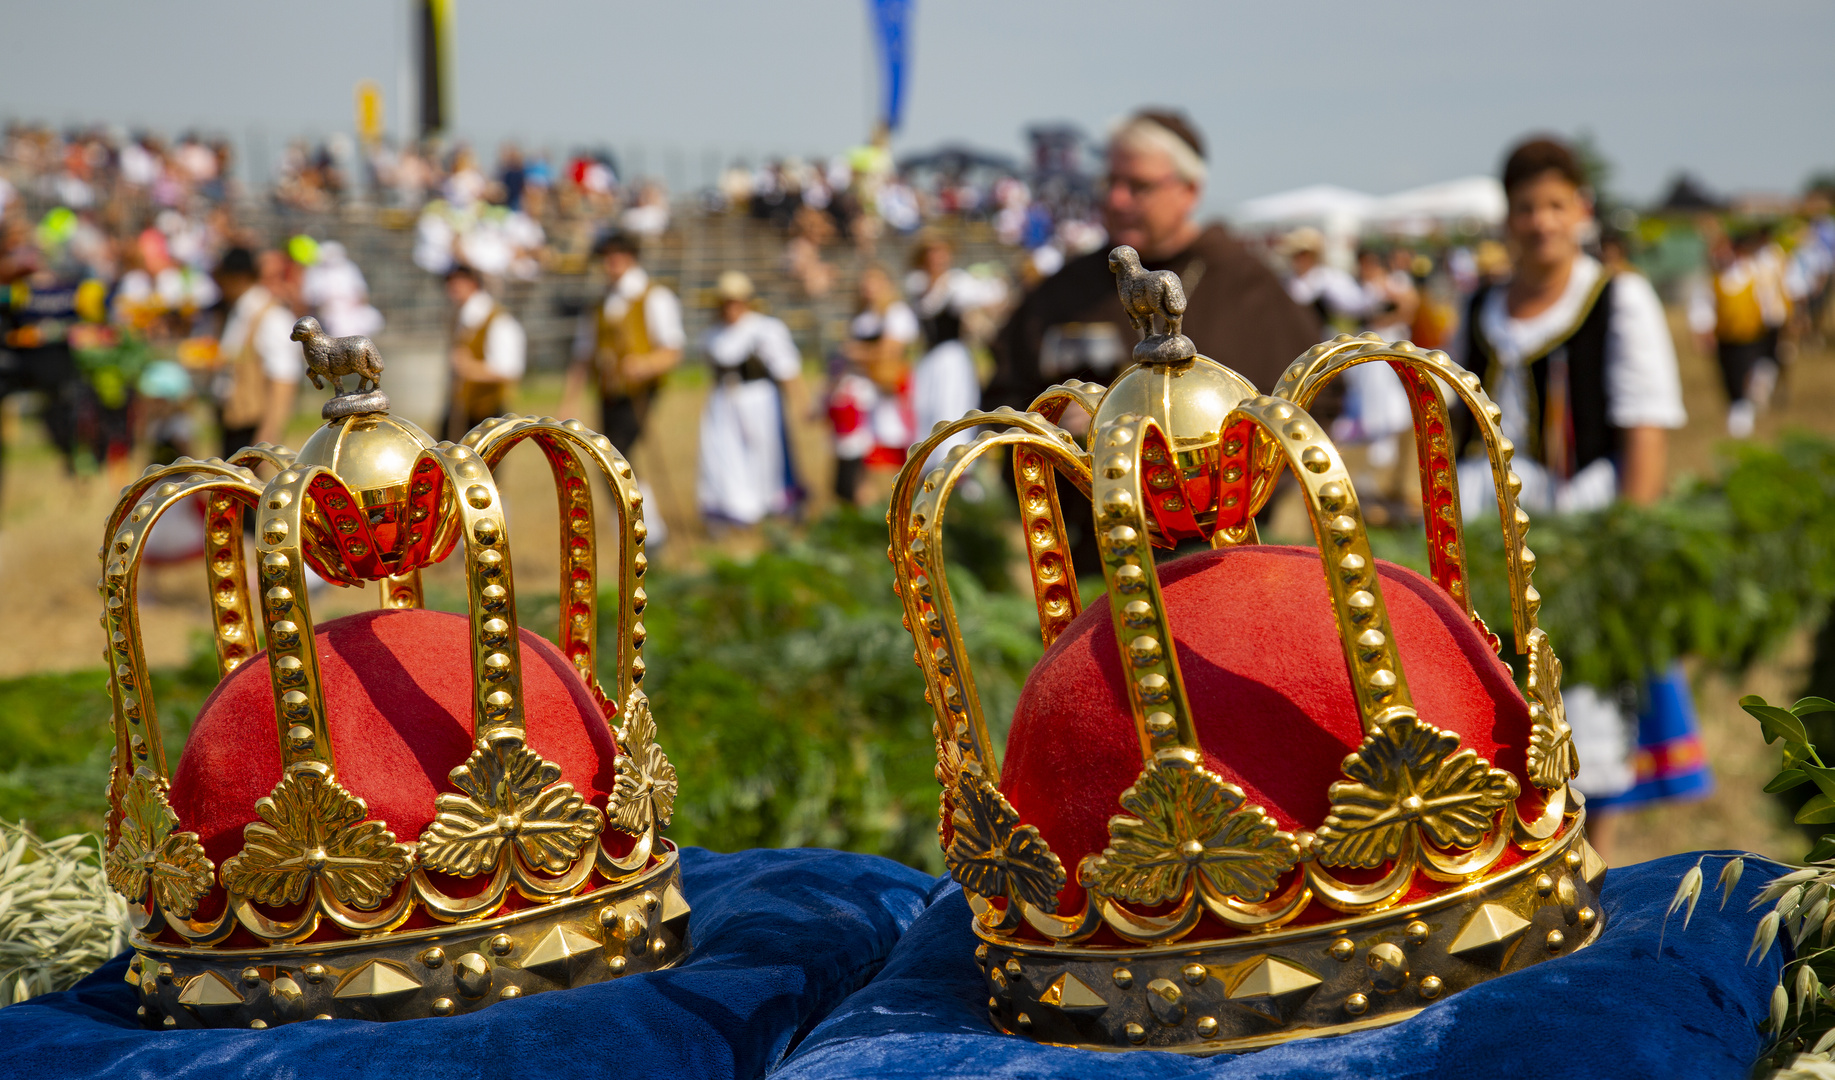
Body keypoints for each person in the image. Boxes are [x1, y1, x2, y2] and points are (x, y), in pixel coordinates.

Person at [1454, 135, 1700, 856]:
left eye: (1555, 205)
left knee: (1589, 692)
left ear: (1581, 211)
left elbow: (1644, 425)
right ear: (1507, 218)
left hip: (1583, 512)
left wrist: (1626, 541)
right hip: (1489, 519)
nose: (1540, 222)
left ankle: (1596, 853)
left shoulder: (1615, 296)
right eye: (1525, 207)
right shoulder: (1479, 306)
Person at [988, 109, 1319, 416]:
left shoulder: (1245, 281)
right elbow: (1005, 397)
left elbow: (1311, 400)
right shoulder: (1067, 287)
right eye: (1111, 182)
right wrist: (1054, 422)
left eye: (1138, 186)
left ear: (1189, 191)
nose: (1116, 199)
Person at [697, 271, 804, 527]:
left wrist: (801, 401)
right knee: (725, 454)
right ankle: (736, 508)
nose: (731, 307)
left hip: (759, 399)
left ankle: (773, 504)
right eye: (726, 301)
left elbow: (786, 368)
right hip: (724, 403)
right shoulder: (712, 335)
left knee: (766, 454)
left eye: (736, 301)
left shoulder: (765, 329)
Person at [563, 230, 685, 454]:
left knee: (618, 455)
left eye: (617, 254)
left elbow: (673, 350)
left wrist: (646, 365)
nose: (611, 261)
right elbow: (583, 354)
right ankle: (640, 490)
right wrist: (570, 400)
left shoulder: (655, 296)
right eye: (606, 255)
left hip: (639, 391)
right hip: (608, 390)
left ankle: (638, 490)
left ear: (631, 256)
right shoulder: (599, 304)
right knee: (608, 457)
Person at [906, 236, 1007, 471]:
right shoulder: (917, 285)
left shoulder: (955, 284)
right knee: (925, 409)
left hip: (952, 359)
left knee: (950, 408)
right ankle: (928, 467)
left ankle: (957, 469)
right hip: (928, 361)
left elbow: (990, 297)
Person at [827, 264, 917, 505]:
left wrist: (856, 352)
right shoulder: (863, 317)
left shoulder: (896, 313)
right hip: (864, 391)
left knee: (889, 447)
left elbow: (890, 351)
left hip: (887, 391)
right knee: (862, 452)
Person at [212, 246, 302, 456]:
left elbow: (284, 380)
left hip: (253, 428)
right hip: (233, 421)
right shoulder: (238, 312)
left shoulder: (271, 316)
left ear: (237, 277)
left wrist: (265, 443)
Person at [442, 264, 525, 442]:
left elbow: (509, 370)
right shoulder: (459, 317)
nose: (452, 289)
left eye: (458, 282)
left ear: (472, 284)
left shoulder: (498, 320)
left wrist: (470, 368)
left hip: (487, 409)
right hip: (462, 406)